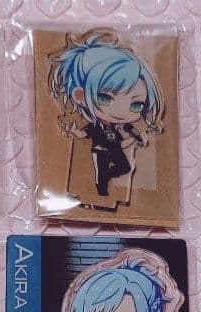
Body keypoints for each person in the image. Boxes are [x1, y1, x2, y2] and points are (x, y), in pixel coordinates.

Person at [48, 32, 164, 197]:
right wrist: (73, 130)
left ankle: (105, 180)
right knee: (101, 176)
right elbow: (82, 134)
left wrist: (135, 139)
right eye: (105, 98)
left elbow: (124, 142)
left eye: (136, 105)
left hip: (114, 150)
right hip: (100, 151)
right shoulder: (94, 126)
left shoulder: (122, 127)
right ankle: (101, 191)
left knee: (125, 167)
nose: (120, 112)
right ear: (80, 96)